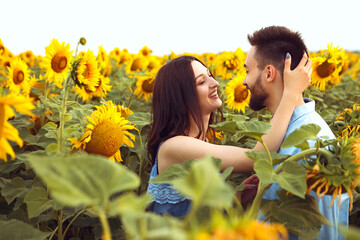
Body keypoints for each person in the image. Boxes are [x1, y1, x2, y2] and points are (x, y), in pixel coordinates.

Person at [146, 53, 312, 217]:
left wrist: (235, 199)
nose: (215, 83)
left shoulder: (200, 141)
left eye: (210, 75)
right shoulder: (174, 146)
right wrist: (291, 93)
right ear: (180, 97)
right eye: (202, 81)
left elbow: (192, 210)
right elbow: (256, 158)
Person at [242, 26, 349, 240]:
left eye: (247, 71)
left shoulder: (310, 147)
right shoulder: (283, 134)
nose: (244, 81)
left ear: (269, 73)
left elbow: (322, 233)